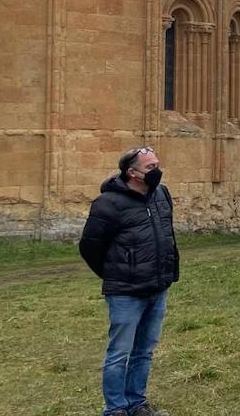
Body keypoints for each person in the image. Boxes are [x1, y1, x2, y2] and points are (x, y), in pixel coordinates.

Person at [78, 146, 179, 416]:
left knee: (144, 351)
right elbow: (90, 247)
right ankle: (115, 409)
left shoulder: (161, 195)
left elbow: (166, 235)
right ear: (132, 173)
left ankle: (137, 403)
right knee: (119, 354)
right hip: (125, 292)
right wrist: (118, 273)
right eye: (149, 167)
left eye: (157, 164)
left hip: (157, 287)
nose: (156, 171)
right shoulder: (108, 204)